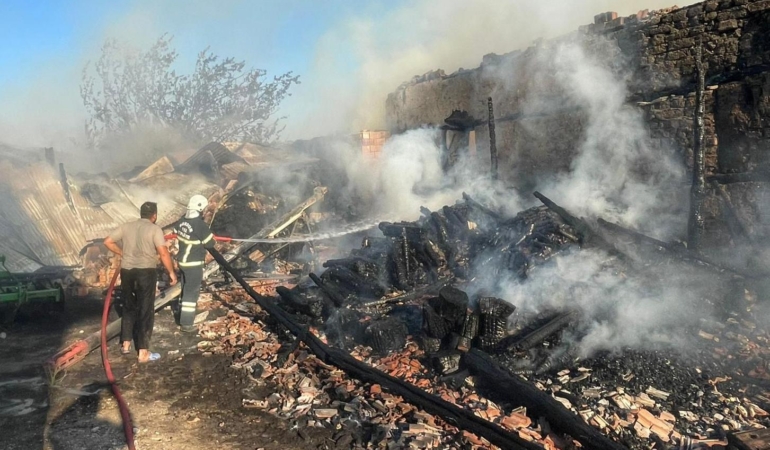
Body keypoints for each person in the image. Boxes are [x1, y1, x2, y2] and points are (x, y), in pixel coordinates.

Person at [104, 202, 177, 363]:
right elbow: (163, 252)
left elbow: (108, 241)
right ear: (154, 215)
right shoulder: (154, 229)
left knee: (129, 306)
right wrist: (171, 272)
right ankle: (143, 352)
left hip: (127, 271)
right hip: (145, 272)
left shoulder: (126, 226)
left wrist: (122, 252)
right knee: (145, 309)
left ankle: (126, 344)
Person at [172, 194, 216, 332]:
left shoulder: (182, 221)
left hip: (182, 262)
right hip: (193, 263)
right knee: (191, 292)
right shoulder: (200, 225)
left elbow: (175, 231)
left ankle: (181, 314)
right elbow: (210, 244)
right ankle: (186, 323)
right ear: (200, 208)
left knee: (185, 288)